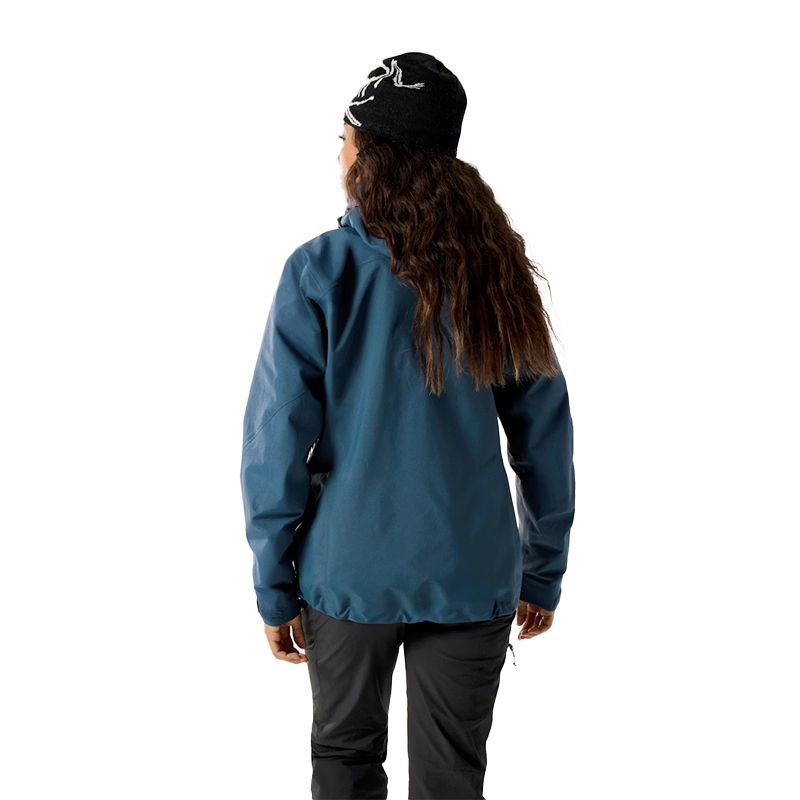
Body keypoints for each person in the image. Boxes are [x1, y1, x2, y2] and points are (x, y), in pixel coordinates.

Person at [240, 51, 576, 800]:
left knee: (344, 760)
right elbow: (544, 435)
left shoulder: (319, 271)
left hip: (347, 573)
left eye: (345, 139)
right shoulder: (495, 273)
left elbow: (274, 440)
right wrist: (541, 568)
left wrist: (273, 583)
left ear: (371, 156)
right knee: (453, 776)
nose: (338, 154)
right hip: (471, 571)